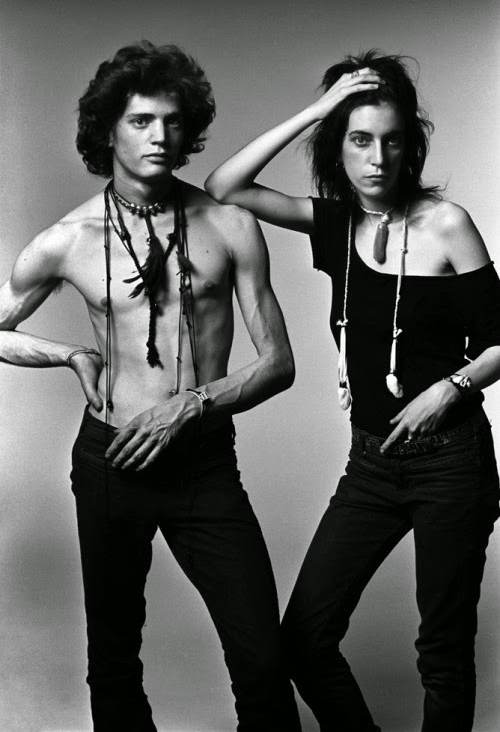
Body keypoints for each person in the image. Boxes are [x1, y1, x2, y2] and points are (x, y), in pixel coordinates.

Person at [0, 41, 303, 731]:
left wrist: (190, 404)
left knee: (262, 660)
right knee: (113, 662)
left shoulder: (229, 224)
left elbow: (279, 363)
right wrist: (69, 355)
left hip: (202, 462)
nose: (160, 136)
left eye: (171, 121)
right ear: (107, 131)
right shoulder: (68, 239)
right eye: (140, 121)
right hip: (110, 460)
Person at [205, 50, 500, 731]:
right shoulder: (335, 225)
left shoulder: (447, 224)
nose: (377, 158)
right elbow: (225, 185)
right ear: (336, 146)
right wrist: (318, 109)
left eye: (392, 141)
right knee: (304, 638)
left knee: (443, 652)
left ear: (411, 147)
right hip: (371, 464)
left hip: (451, 461)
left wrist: (450, 388)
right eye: (359, 139)